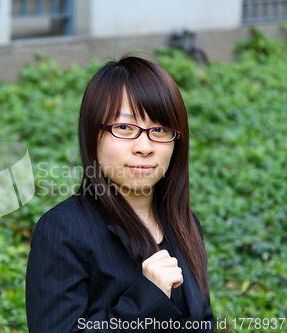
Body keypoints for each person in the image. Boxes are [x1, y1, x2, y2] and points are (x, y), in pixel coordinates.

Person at [25, 56, 215, 332]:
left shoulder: (184, 224)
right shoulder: (63, 230)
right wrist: (147, 298)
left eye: (160, 130)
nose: (145, 146)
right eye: (125, 128)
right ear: (93, 134)